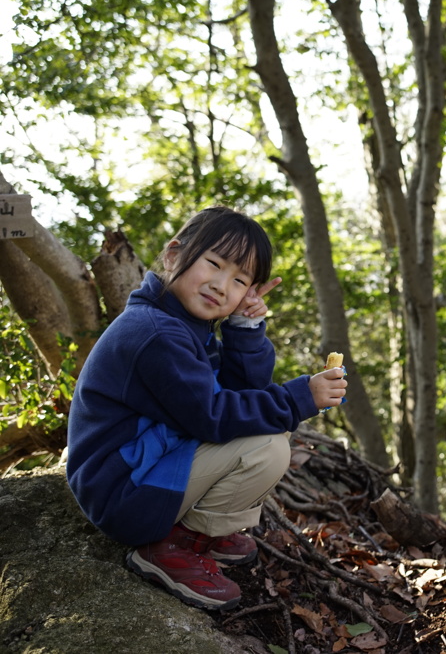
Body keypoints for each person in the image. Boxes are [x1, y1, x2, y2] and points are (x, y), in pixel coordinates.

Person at [66, 206, 347, 611]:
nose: (220, 285)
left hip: (144, 468)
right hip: (121, 493)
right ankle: (170, 547)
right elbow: (213, 415)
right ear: (174, 255)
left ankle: (198, 530)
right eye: (213, 264)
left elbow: (242, 393)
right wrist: (300, 397)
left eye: (239, 281)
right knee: (266, 446)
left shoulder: (183, 324)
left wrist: (245, 329)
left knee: (267, 429)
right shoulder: (155, 333)